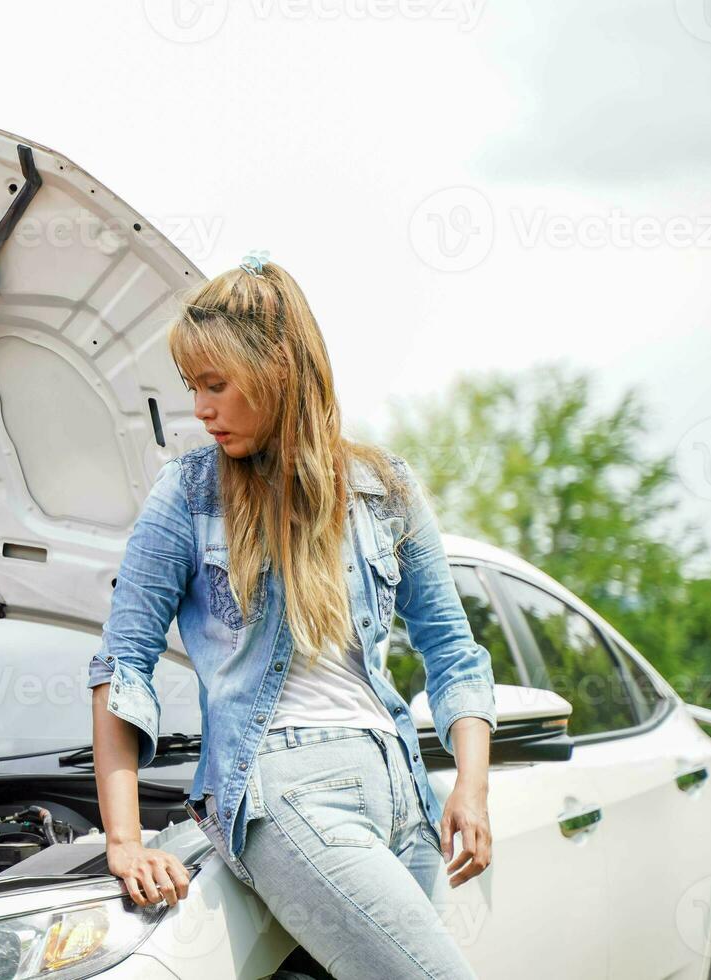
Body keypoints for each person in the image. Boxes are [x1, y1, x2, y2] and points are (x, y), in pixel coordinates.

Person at [88, 258, 495, 979]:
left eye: (217, 385)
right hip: (289, 792)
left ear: (278, 367)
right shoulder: (187, 495)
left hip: (405, 792)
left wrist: (471, 785)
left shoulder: (384, 488)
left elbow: (454, 652)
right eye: (194, 388)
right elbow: (124, 663)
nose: (201, 410)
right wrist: (123, 841)